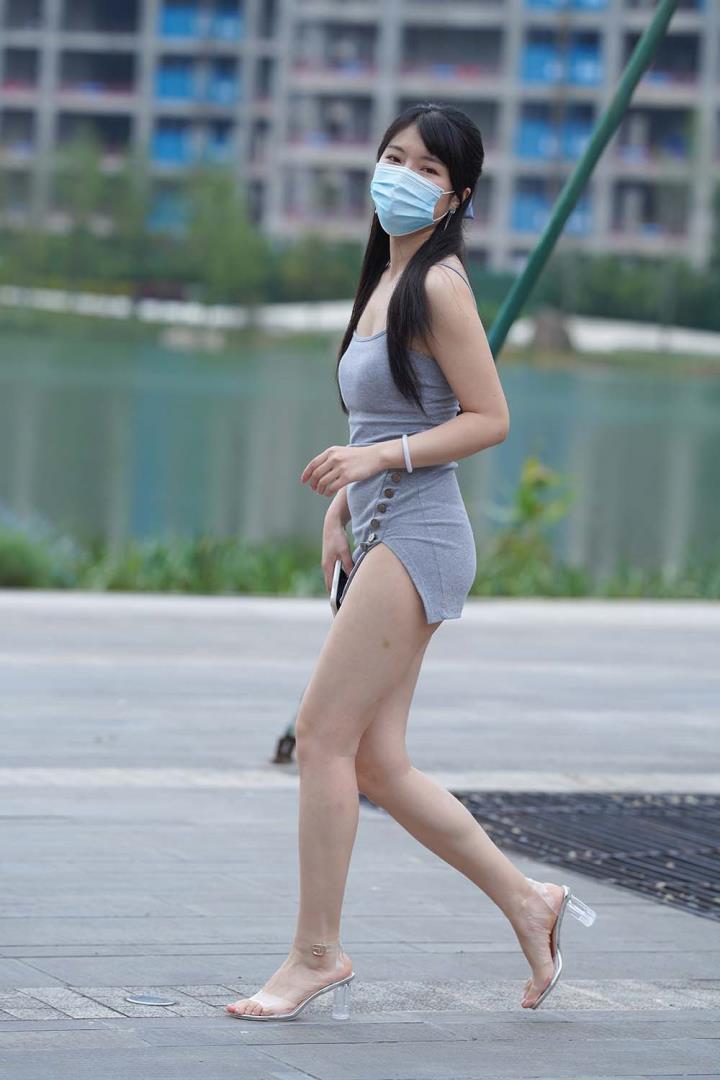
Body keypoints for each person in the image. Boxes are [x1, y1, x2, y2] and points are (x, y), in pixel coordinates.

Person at [226, 102, 595, 1022]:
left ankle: (316, 954)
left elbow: (488, 419)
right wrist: (345, 501)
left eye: (428, 169)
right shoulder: (386, 279)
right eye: (395, 157)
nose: (403, 176)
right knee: (377, 765)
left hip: (421, 535)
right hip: (382, 528)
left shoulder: (439, 286)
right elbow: (388, 416)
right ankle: (530, 902)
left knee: (321, 736)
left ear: (458, 196)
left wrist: (373, 465)